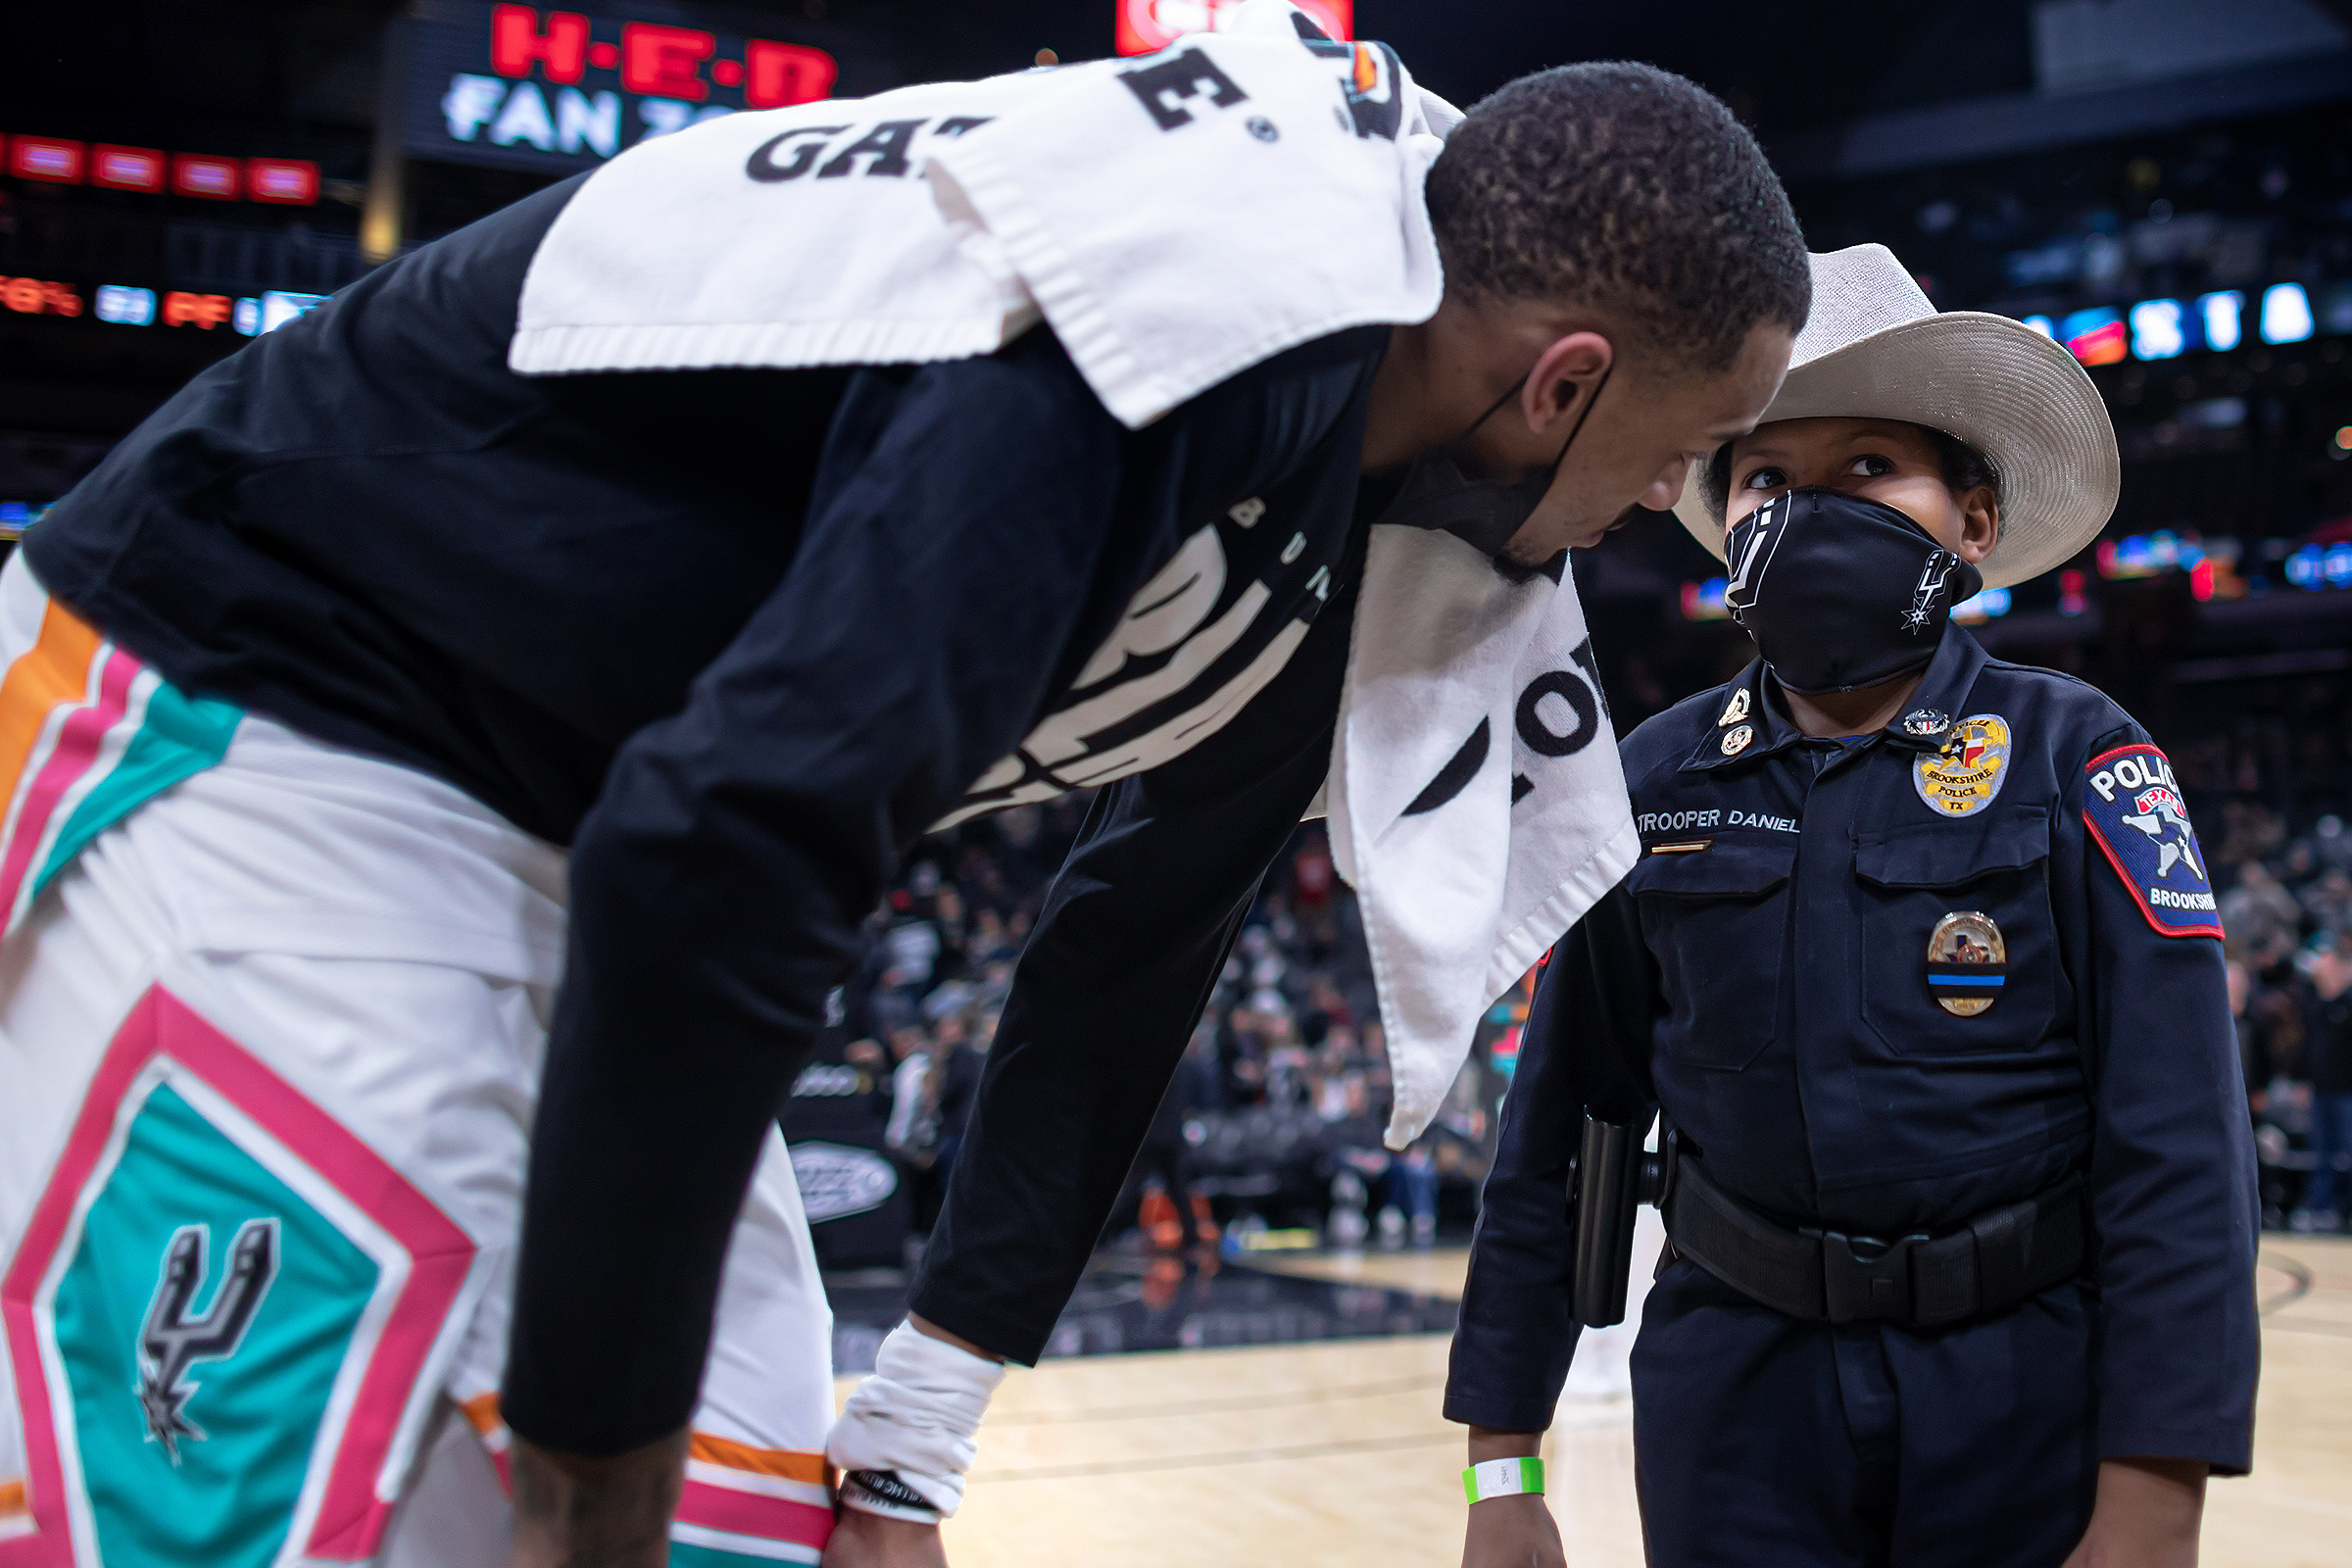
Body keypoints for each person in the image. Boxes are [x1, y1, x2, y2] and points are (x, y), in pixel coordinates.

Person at [0, 26, 1804, 1568]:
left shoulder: (1375, 487)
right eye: (1670, 458)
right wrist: (583, 1494)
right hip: (268, 687)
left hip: (562, 810)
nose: (1662, 516)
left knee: (737, 1510)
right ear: (1560, 383)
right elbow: (724, 849)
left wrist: (918, 1427)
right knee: (319, 1486)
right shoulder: (1191, 303)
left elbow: (1133, 950)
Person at [1446, 245, 2259, 1568]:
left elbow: (2180, 1144)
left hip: (2024, 1391)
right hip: (1734, 1401)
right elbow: (1553, 1138)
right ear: (1728, 520)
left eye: (1871, 466)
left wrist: (2158, 1489)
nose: (1812, 510)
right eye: (1769, 478)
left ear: (1973, 524)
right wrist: (1504, 1471)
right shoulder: (1648, 780)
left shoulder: (2081, 758)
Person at [2293, 937, 2352, 1231]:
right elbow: (2307, 1048)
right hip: (2320, 1092)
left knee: (2347, 1151)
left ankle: (2345, 1211)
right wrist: (2303, 1081)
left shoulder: (2348, 1004)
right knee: (2321, 1154)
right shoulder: (2314, 1005)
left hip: (2346, 1093)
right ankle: (2321, 1208)